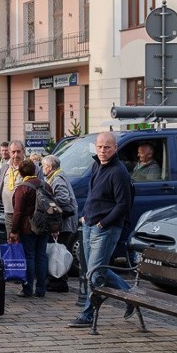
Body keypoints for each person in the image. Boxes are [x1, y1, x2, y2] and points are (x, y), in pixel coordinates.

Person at [68, 132, 135, 327]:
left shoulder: (119, 172)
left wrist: (103, 223)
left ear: (115, 148)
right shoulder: (97, 164)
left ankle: (87, 314)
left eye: (107, 147)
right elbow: (93, 195)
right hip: (90, 225)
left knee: (95, 273)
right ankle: (130, 295)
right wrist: (85, 215)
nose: (103, 151)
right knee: (95, 271)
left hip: (106, 229)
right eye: (100, 147)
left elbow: (123, 204)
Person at [9, 159, 51, 298]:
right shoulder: (46, 185)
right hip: (44, 225)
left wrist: (14, 231)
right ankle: (41, 289)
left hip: (28, 227)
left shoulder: (23, 188)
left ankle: (27, 289)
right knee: (41, 256)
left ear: (20, 173)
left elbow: (18, 212)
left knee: (29, 256)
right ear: (35, 170)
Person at [41, 154, 78, 292]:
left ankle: (60, 282)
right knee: (59, 250)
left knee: (60, 252)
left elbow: (64, 199)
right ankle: (57, 281)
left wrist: (49, 201)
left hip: (64, 223)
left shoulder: (57, 179)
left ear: (50, 167)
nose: (43, 169)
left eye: (44, 166)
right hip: (64, 222)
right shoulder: (56, 177)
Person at [0, 139, 25, 237]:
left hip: (25, 213)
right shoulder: (4, 167)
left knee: (23, 242)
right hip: (8, 211)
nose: (16, 155)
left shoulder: (30, 167)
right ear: (9, 153)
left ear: (23, 152)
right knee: (11, 240)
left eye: (18, 152)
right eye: (13, 152)